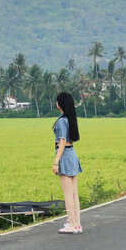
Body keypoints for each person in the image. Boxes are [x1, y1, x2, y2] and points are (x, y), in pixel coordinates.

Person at [52, 92, 83, 234]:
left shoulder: (61, 121)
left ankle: (71, 224)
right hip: (73, 154)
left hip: (64, 155)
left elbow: (62, 141)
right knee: (74, 193)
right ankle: (76, 224)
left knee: (67, 194)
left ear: (60, 104)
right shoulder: (70, 119)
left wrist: (56, 162)